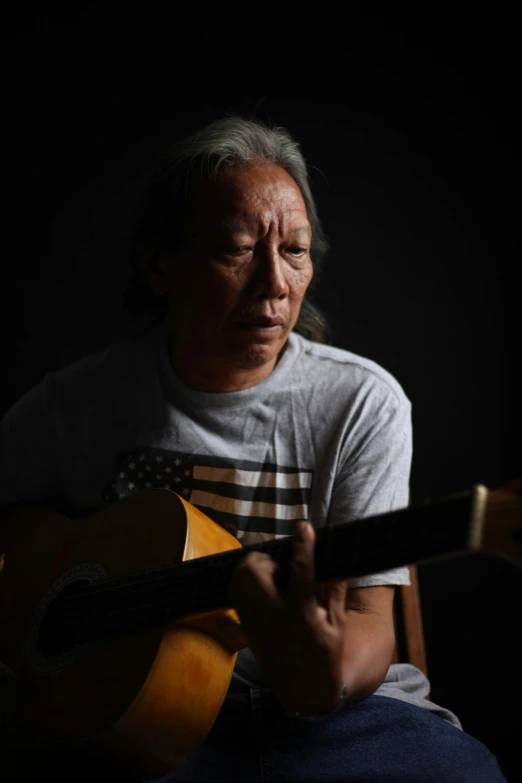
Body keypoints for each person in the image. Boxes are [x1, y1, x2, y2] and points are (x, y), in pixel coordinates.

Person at [0, 116, 507, 782]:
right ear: (159, 263)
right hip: (135, 718)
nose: (273, 282)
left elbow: (369, 621)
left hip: (334, 720)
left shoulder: (363, 402)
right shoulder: (74, 406)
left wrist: (323, 676)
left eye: (294, 250)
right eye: (237, 247)